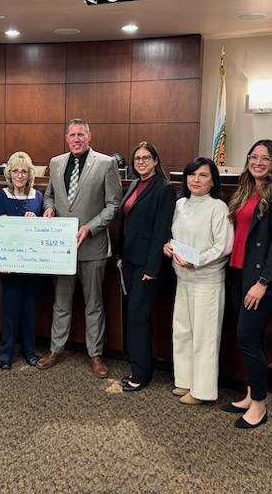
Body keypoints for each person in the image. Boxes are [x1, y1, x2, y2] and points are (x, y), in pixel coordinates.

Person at [220, 140, 272, 428]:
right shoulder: (245, 190)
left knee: (248, 338)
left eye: (265, 158)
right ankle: (251, 394)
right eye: (254, 156)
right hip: (237, 273)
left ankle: (260, 405)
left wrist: (264, 282)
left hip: (260, 280)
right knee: (248, 338)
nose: (258, 162)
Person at [37, 118, 122, 377]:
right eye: (72, 135)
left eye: (80, 135)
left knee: (94, 304)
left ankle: (95, 355)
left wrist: (90, 227)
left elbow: (113, 205)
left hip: (93, 247)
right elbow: (49, 195)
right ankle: (56, 349)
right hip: (62, 248)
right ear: (66, 138)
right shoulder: (56, 163)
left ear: (89, 137)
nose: (76, 139)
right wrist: (49, 208)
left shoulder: (106, 163)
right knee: (61, 303)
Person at [165, 157, 233, 404]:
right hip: (183, 278)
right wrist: (168, 246)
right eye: (192, 175)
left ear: (213, 181)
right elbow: (174, 236)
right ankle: (185, 381)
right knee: (182, 331)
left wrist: (197, 261)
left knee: (205, 337)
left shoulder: (218, 207)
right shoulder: (180, 204)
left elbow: (223, 246)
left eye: (203, 175)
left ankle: (202, 391)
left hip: (207, 280)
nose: (196, 180)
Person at [117, 142, 175, 392]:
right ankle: (137, 366)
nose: (141, 162)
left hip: (147, 264)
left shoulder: (164, 188)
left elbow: (162, 230)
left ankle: (141, 374)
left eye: (146, 157)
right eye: (137, 158)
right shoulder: (135, 184)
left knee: (138, 317)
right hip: (130, 260)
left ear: (155, 160)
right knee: (134, 316)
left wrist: (152, 268)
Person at [0, 151, 44, 370]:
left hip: (32, 263)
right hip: (9, 264)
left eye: (24, 171)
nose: (20, 175)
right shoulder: (2, 196)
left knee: (30, 310)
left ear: (30, 174)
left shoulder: (38, 197)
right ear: (9, 173)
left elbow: (44, 230)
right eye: (15, 171)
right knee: (10, 309)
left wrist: (37, 220)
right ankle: (6, 353)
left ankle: (29, 351)